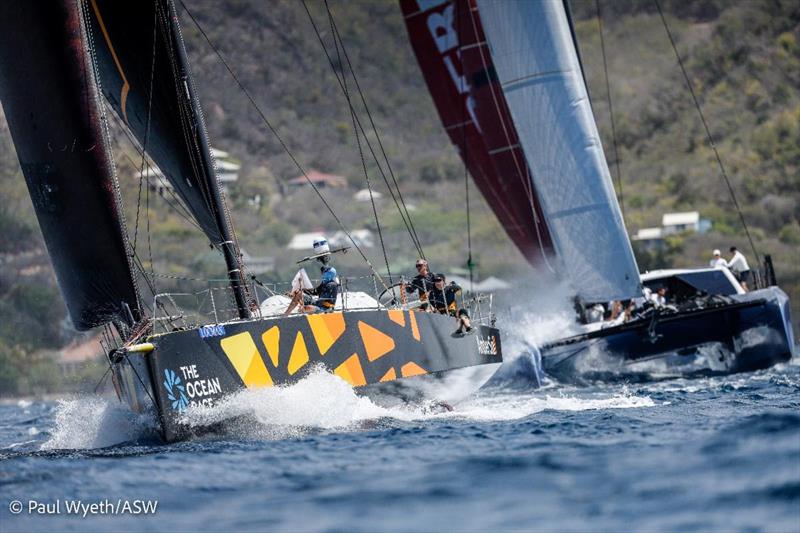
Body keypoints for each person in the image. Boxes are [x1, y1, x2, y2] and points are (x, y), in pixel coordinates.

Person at [284, 238, 340, 314]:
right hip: (317, 304)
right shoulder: (323, 284)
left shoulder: (333, 285)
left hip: (325, 309)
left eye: (324, 273)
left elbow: (328, 304)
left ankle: (302, 317)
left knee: (307, 308)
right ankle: (285, 314)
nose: (322, 274)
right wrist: (299, 292)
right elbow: (314, 292)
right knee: (300, 294)